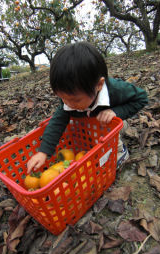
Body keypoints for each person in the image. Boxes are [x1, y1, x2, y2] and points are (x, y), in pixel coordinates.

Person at [27, 41, 148, 173]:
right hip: (90, 123)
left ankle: (121, 152)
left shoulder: (116, 89)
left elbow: (141, 98)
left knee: (107, 126)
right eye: (62, 98)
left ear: (99, 85)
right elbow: (57, 122)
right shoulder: (69, 100)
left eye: (75, 100)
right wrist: (43, 152)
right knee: (73, 125)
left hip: (110, 122)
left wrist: (115, 112)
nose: (67, 104)